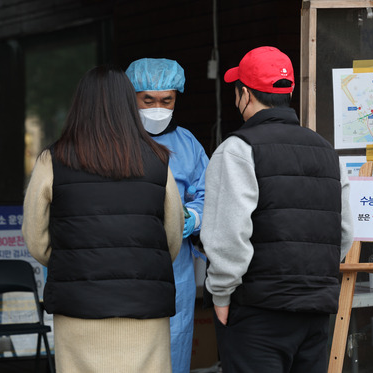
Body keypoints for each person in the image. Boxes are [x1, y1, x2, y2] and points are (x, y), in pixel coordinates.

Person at [200, 46, 354, 373]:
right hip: (314, 313)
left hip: (258, 312)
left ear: (244, 94)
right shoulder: (327, 152)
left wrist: (221, 295)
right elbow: (344, 233)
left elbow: (228, 238)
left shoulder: (238, 150)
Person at [22, 65, 184, 373]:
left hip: (78, 309)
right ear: (128, 104)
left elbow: (35, 238)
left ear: (80, 104)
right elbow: (171, 238)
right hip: (145, 308)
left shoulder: (53, 160)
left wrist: (70, 261)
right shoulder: (158, 160)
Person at [125, 58, 209, 373]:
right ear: (130, 97)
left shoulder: (187, 144)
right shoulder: (115, 142)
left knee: (175, 338)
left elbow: (209, 191)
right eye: (148, 100)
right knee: (129, 343)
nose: (158, 107)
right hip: (126, 258)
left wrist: (196, 217)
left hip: (176, 265)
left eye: (167, 100)